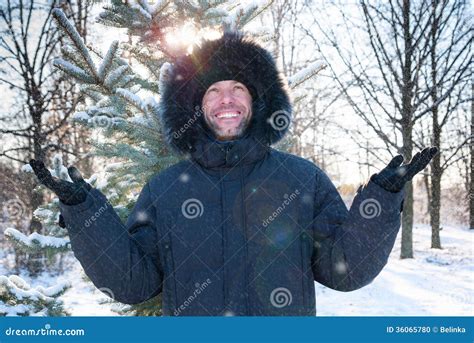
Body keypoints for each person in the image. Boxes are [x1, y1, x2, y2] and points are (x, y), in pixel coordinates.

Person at [29, 31, 438, 316]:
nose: (227, 99)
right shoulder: (165, 189)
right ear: (196, 109)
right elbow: (134, 284)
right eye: (212, 91)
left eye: (238, 89)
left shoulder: (302, 179)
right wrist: (83, 211)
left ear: (258, 102)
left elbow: (343, 271)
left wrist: (382, 199)